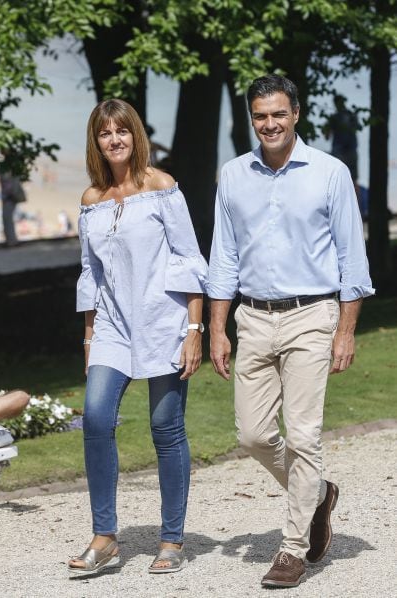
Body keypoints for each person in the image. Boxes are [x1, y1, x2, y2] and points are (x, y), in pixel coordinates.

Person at [207, 74, 374, 589]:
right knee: (253, 435)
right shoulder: (232, 175)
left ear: (296, 113)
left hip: (312, 315)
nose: (270, 124)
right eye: (261, 116)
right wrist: (216, 327)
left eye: (279, 113)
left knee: (303, 436)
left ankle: (292, 548)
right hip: (252, 317)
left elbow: (352, 259)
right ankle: (319, 493)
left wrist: (345, 331)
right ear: (251, 119)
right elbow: (223, 257)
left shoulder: (329, 173)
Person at [69, 99, 207, 577]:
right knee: (96, 418)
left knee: (165, 429)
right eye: (105, 133)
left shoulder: (162, 187)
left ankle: (171, 539)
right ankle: (105, 536)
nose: (114, 140)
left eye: (121, 131)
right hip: (111, 328)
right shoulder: (91, 199)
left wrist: (195, 330)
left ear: (135, 135)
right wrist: (89, 341)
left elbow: (189, 260)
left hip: (163, 324)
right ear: (97, 141)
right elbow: (91, 275)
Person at [0, 171, 26, 246]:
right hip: (9, 198)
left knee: (8, 220)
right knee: (8, 220)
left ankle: (11, 241)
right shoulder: (11, 172)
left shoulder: (9, 173)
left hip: (9, 198)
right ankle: (11, 240)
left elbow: (10, 187)